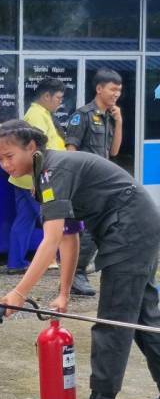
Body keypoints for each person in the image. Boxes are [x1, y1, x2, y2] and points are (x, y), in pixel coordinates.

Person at [0, 120, 160, 399]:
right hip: (134, 224)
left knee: (114, 318)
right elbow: (69, 237)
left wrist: (19, 294)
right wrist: (63, 293)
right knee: (144, 317)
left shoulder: (52, 171)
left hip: (130, 227)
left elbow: (50, 240)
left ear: (31, 147)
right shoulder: (45, 172)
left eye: (9, 157)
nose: (4, 165)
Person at [64, 68, 125, 298]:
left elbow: (114, 151)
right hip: (86, 182)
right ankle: (77, 273)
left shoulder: (109, 116)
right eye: (112, 89)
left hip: (104, 181)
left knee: (103, 226)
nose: (116, 94)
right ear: (99, 89)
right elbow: (71, 150)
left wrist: (119, 122)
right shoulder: (83, 115)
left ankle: (78, 271)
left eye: (119, 90)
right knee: (89, 229)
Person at [7, 78, 67, 274]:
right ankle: (59, 259)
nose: (60, 101)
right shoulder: (36, 116)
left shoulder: (42, 113)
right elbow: (36, 151)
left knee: (25, 219)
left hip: (29, 177)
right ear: (46, 96)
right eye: (58, 97)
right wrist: (37, 179)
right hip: (36, 178)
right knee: (52, 219)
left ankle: (16, 263)